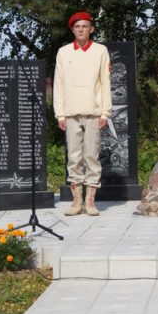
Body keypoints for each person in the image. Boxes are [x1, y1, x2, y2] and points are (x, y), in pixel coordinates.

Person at [53, 11, 111, 216]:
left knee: (91, 156)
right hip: (70, 112)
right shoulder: (64, 52)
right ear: (72, 29)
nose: (81, 29)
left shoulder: (100, 51)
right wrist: (60, 114)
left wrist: (105, 112)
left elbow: (105, 82)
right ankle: (76, 201)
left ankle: (90, 201)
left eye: (84, 26)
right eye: (77, 26)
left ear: (91, 29)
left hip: (93, 111)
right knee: (73, 157)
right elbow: (58, 84)